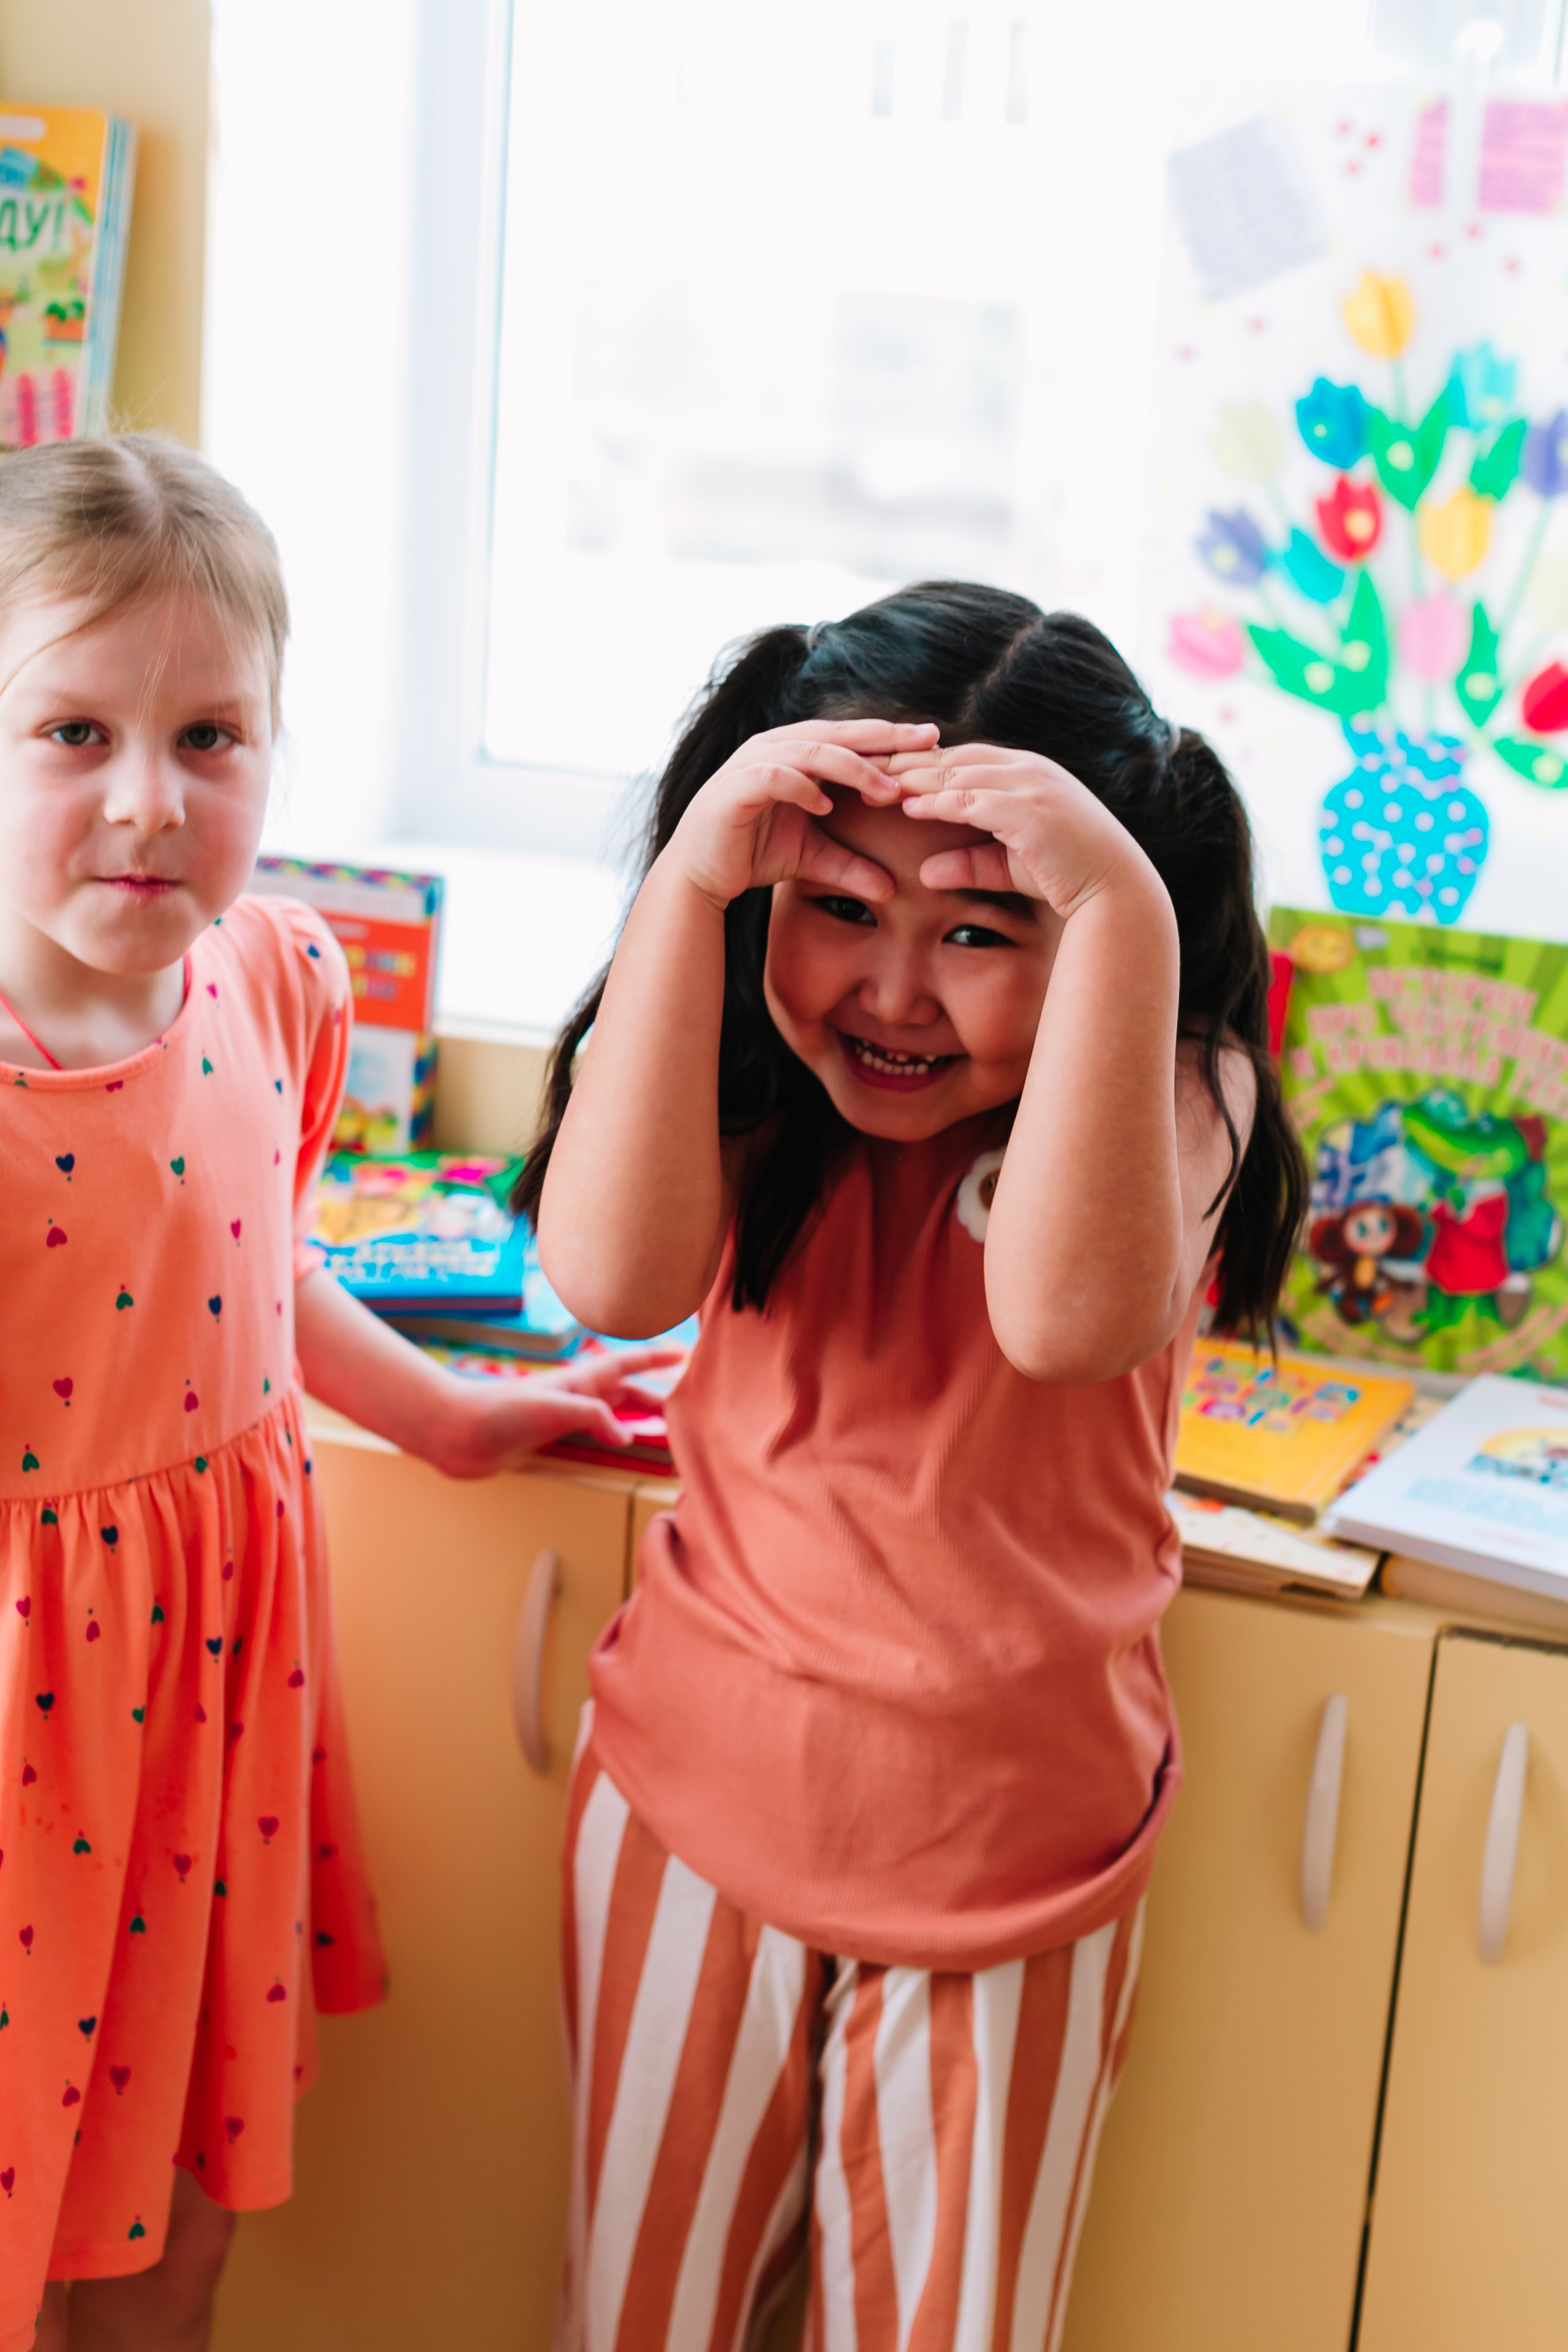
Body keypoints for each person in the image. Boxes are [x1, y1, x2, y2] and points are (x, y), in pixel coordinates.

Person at [519, 582, 1307, 2350]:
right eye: (837, 912)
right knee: (637, 2320)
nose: (891, 992)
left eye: (978, 933)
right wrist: (693, 887)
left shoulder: (1180, 1086)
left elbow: (1065, 1318)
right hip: (687, 1824)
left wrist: (1116, 907)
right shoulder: (746, 1068)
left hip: (1011, 1872)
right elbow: (612, 1278)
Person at [0, 434, 672, 2352]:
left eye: (213, 739)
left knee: (179, 2229)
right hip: (29, 1750)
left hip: (210, 1715)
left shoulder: (276, 980)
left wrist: (438, 1412)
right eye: (71, 736)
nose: (150, 804)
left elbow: (253, 1260)